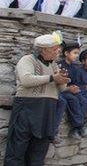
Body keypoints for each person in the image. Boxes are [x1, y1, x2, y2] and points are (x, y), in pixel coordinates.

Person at [4, 32, 69, 164]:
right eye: (55, 50)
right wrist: (52, 78)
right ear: (44, 50)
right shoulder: (28, 60)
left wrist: (62, 79)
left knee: (38, 152)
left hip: (47, 110)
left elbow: (62, 89)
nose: (58, 53)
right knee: (17, 149)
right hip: (27, 108)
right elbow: (26, 80)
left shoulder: (54, 65)